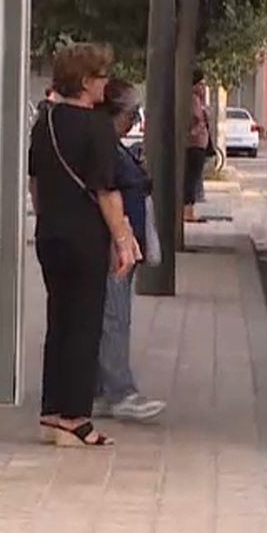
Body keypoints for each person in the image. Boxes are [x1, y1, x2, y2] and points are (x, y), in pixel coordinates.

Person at [27, 42, 141, 447]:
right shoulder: (96, 127)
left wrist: (48, 217)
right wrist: (123, 240)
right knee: (84, 325)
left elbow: (35, 182)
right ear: (86, 81)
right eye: (102, 76)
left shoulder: (45, 122)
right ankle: (75, 419)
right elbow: (106, 190)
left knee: (59, 320)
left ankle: (51, 412)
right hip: (85, 237)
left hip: (50, 234)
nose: (106, 84)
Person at [93, 79, 167, 422]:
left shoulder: (115, 147)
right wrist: (119, 239)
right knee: (114, 318)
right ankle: (119, 391)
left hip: (124, 246)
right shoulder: (105, 149)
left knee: (114, 316)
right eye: (131, 113)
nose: (135, 121)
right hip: (115, 248)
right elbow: (107, 194)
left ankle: (102, 390)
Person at [183, 69, 210, 223]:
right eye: (201, 84)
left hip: (197, 144)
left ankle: (188, 210)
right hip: (195, 145)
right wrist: (196, 130)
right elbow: (197, 119)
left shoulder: (196, 99)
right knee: (191, 178)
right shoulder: (193, 99)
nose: (203, 88)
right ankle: (188, 211)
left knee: (192, 178)